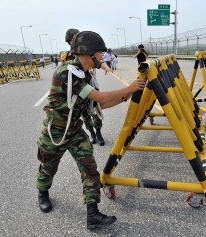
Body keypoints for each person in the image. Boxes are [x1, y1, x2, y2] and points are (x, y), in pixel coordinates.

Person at [36, 31, 146, 229]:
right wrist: (128, 89)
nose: (102, 57)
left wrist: (125, 96)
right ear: (89, 54)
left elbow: (96, 106)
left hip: (75, 131)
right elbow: (100, 97)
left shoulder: (84, 74)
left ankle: (93, 215)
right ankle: (42, 192)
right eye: (100, 53)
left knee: (89, 169)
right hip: (56, 132)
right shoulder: (67, 73)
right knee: (48, 168)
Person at [62, 28, 107, 146]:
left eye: (73, 40)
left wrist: (105, 66)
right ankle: (92, 133)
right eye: (70, 41)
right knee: (85, 114)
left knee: (96, 112)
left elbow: (98, 60)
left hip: (90, 85)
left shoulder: (87, 51)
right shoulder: (67, 56)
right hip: (78, 89)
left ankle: (98, 133)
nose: (72, 43)